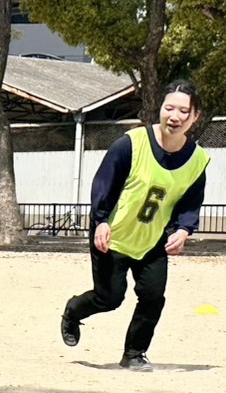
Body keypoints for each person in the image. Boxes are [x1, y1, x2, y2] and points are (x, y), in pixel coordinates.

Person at [60, 81, 210, 371]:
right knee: (109, 298)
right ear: (160, 109)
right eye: (169, 108)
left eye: (183, 111)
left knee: (153, 297)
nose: (174, 116)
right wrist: (101, 220)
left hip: (152, 240)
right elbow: (105, 183)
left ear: (195, 117)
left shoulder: (197, 160)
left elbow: (190, 201)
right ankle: (73, 310)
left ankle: (134, 354)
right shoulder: (131, 143)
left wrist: (183, 229)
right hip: (113, 236)